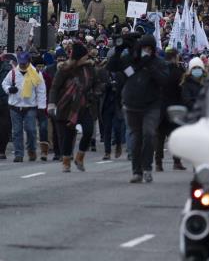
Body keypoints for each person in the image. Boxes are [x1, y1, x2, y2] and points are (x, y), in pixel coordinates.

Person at [108, 34, 170, 183]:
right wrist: (118, 50)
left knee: (148, 135)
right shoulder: (131, 60)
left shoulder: (158, 63)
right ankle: (137, 171)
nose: (146, 51)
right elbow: (113, 68)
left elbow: (164, 80)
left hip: (151, 105)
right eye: (144, 48)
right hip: (132, 104)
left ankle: (147, 167)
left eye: (149, 48)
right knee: (136, 138)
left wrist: (149, 65)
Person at [47, 43, 99, 172]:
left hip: (85, 105)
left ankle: (80, 156)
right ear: (78, 57)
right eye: (84, 56)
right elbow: (55, 87)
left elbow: (96, 84)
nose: (87, 58)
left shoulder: (89, 68)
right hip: (67, 106)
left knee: (88, 131)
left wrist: (96, 92)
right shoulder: (64, 69)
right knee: (68, 135)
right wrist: (52, 104)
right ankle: (66, 161)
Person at [3, 53, 47, 163]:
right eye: (21, 63)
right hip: (15, 106)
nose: (22, 65)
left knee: (31, 130)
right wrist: (9, 89)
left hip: (30, 106)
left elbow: (41, 91)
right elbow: (4, 83)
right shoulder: (13, 72)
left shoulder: (36, 73)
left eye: (24, 63)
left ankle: (31, 150)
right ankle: (19, 154)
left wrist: (42, 107)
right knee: (17, 132)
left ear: (29, 61)